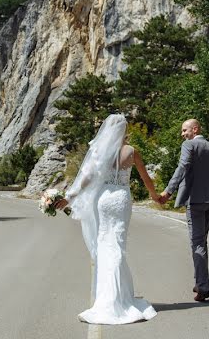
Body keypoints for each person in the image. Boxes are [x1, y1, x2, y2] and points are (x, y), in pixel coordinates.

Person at [55, 114, 160, 324]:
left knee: (105, 244)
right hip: (121, 199)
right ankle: (117, 299)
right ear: (124, 130)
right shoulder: (131, 152)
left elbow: (87, 178)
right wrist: (156, 197)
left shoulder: (101, 152)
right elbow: (146, 178)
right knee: (117, 245)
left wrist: (68, 197)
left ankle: (107, 298)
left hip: (103, 200)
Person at [158, 118, 209, 302]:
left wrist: (168, 191)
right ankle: (200, 281)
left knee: (198, 243)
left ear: (195, 129)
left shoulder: (189, 146)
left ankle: (203, 286)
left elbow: (183, 167)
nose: (182, 134)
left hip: (195, 201)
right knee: (201, 242)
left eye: (185, 130)